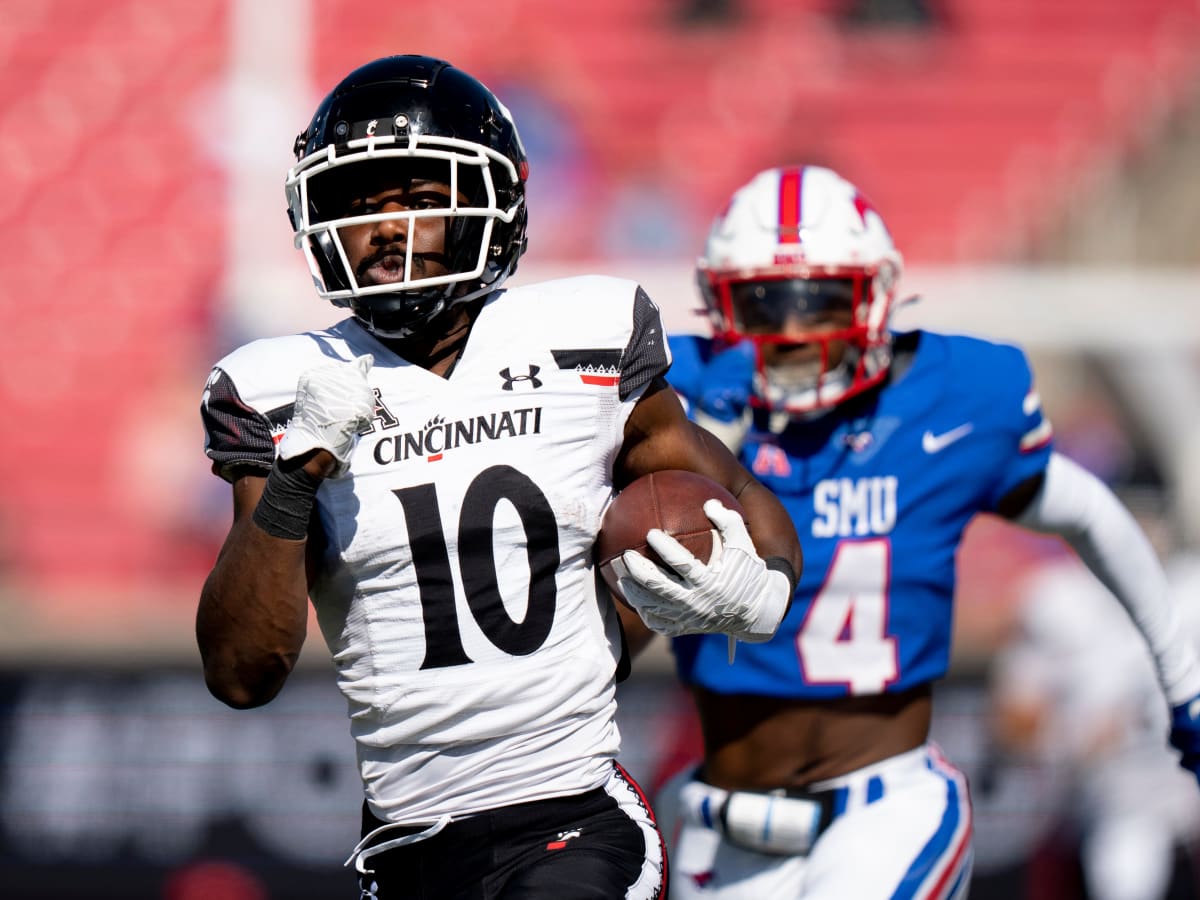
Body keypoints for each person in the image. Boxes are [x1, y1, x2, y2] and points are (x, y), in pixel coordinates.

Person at [194, 55, 802, 900]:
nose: (383, 229)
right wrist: (299, 474)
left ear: (492, 200)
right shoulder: (278, 383)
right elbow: (240, 672)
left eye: (414, 197)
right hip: (405, 846)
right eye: (358, 204)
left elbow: (748, 508)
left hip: (571, 814)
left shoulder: (581, 335)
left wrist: (761, 591)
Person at [633, 164, 1200, 899]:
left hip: (884, 810)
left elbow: (1088, 512)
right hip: (724, 821)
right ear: (722, 302)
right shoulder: (679, 397)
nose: (797, 331)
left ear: (874, 297)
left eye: (823, 301)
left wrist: (1183, 682)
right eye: (766, 303)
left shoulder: (952, 400)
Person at [990, 504, 1200, 900]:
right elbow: (1013, 726)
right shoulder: (1058, 598)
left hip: (1182, 821)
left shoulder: (1191, 593)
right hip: (1086, 815)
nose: (1139, 533)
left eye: (1148, 514)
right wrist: (1073, 738)